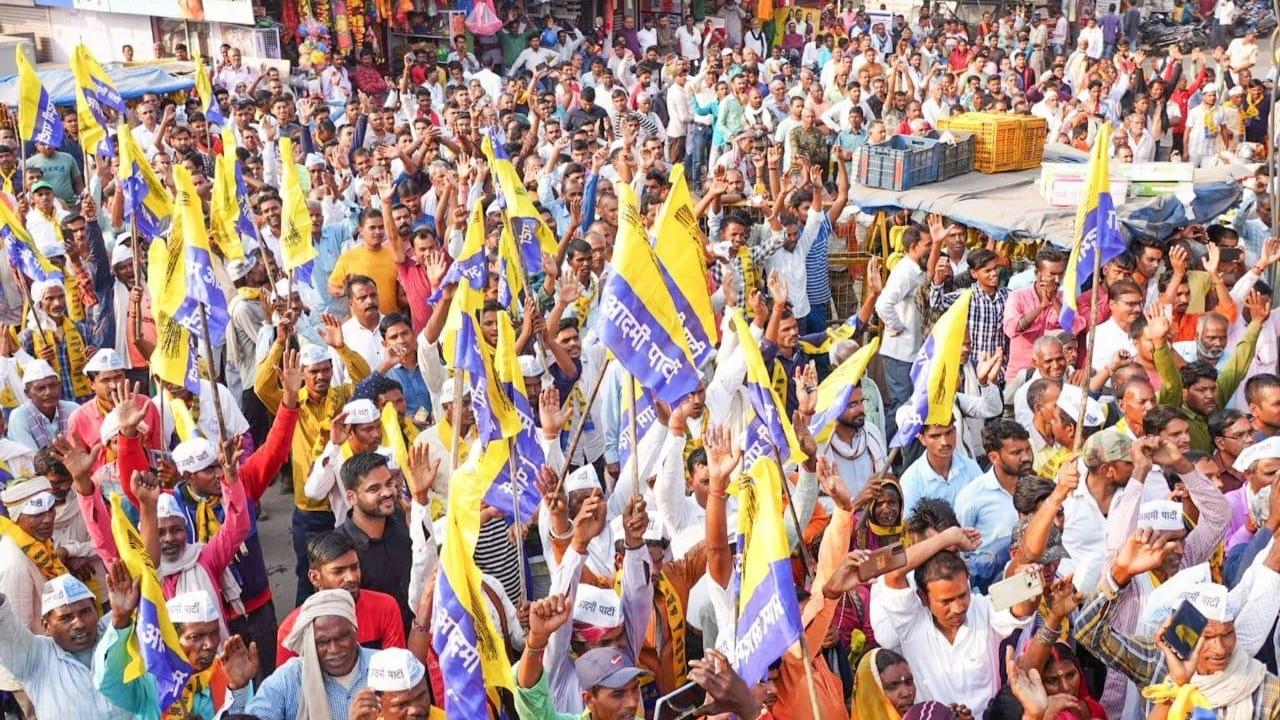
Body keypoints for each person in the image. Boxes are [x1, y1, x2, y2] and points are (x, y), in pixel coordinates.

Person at [276, 530, 405, 663]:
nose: (351, 577)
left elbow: (397, 669)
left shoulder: (385, 607)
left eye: (355, 568)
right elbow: (289, 681)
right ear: (315, 578)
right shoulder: (291, 630)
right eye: (338, 571)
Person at [247, 589, 375, 719]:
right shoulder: (290, 678)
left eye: (342, 637)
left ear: (355, 631)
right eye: (322, 642)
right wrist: (239, 688)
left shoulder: (386, 666)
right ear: (309, 643)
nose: (334, 649)